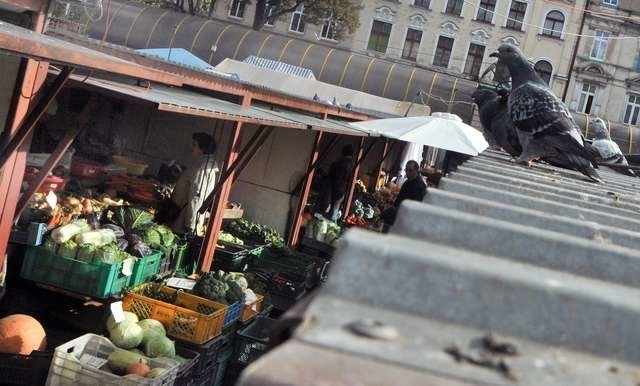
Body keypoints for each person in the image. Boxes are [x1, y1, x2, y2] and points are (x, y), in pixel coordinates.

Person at [169, 132, 219, 235]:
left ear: (203, 149)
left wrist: (191, 225)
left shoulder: (203, 169)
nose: (192, 148)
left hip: (183, 223)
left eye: (195, 145)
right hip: (180, 217)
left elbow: (197, 198)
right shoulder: (200, 165)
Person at [381, 160, 427, 230]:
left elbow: (416, 206)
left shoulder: (419, 186)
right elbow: (399, 199)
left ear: (416, 171)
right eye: (406, 170)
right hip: (399, 213)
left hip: (406, 218)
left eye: (410, 171)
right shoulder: (407, 182)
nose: (407, 173)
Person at [324, 145, 355, 221]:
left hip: (331, 186)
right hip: (340, 188)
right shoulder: (350, 164)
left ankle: (328, 221)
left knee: (329, 206)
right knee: (335, 207)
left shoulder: (337, 162)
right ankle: (331, 222)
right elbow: (348, 177)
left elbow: (330, 172)